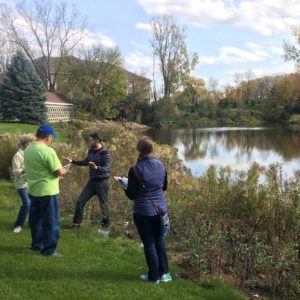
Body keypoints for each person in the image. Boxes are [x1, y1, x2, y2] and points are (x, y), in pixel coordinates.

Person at [124, 136, 172, 284]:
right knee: (159, 240)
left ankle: (154, 276)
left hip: (143, 212)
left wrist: (124, 186)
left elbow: (132, 194)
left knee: (149, 243)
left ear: (139, 149)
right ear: (151, 149)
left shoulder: (135, 170)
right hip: (160, 210)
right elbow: (164, 187)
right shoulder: (161, 165)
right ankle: (165, 273)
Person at [24, 124, 66, 256]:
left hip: (34, 190)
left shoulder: (28, 149)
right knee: (51, 221)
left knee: (36, 220)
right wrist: (66, 169)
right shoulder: (48, 151)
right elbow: (59, 171)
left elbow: (39, 170)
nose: (51, 140)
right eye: (51, 137)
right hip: (48, 191)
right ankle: (49, 250)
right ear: (48, 137)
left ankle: (36, 245)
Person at [63, 132, 112, 229]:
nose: (89, 142)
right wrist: (72, 161)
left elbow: (107, 168)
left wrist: (96, 167)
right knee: (80, 201)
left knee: (104, 205)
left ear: (97, 140)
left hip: (102, 182)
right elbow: (86, 162)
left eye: (91, 140)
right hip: (92, 182)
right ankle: (76, 225)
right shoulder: (91, 151)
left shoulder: (105, 153)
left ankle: (104, 228)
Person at [12, 134, 35, 233]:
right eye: (31, 143)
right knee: (27, 204)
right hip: (21, 185)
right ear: (25, 143)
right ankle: (17, 225)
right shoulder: (17, 155)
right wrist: (24, 170)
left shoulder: (30, 154)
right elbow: (15, 172)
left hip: (31, 183)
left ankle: (31, 223)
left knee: (31, 204)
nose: (33, 145)